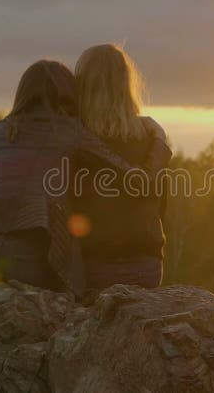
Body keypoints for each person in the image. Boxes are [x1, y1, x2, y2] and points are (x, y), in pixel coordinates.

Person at [0, 59, 171, 297]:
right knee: (73, 291)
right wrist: (159, 137)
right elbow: (138, 180)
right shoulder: (73, 131)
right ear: (69, 94)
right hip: (23, 253)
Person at [72, 44, 168, 291]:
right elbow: (160, 208)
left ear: (82, 84)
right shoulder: (152, 138)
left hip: (94, 267)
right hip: (148, 268)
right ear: (126, 85)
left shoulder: (73, 139)